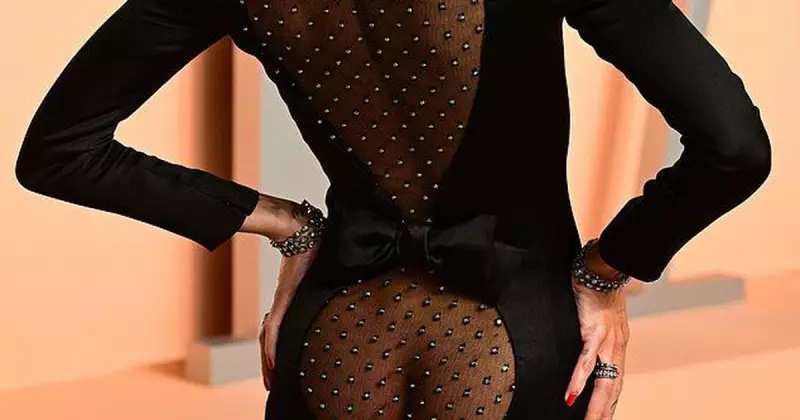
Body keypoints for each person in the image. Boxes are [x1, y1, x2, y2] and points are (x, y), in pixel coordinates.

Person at [15, 0, 771, 418]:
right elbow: (733, 148)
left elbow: (59, 150)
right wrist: (605, 272)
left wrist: (289, 225)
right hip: (517, 342)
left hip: (333, 340)